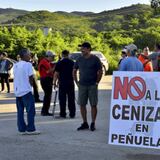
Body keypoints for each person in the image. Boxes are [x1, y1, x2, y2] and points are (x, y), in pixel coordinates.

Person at [73, 42, 103, 131]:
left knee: (93, 104)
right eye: (81, 48)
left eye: (84, 48)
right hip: (82, 85)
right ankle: (85, 122)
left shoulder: (95, 59)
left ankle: (93, 123)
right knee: (82, 104)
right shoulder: (79, 59)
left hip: (92, 85)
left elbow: (100, 71)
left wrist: (97, 82)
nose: (82, 50)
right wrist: (76, 82)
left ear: (89, 49)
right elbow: (74, 70)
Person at [13, 48, 40, 135]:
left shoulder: (16, 65)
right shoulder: (28, 65)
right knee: (30, 110)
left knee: (20, 111)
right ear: (24, 55)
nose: (30, 55)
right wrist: (31, 86)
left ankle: (21, 129)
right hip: (26, 90)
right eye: (29, 54)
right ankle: (31, 129)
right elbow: (30, 78)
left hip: (18, 91)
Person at [53, 50, 76, 118]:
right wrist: (76, 81)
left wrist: (54, 83)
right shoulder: (72, 62)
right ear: (68, 54)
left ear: (62, 55)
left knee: (62, 99)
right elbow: (74, 72)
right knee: (71, 99)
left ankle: (63, 113)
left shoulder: (59, 63)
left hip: (62, 83)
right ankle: (72, 113)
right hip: (70, 83)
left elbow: (56, 74)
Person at [38, 51, 55, 116]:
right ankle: (45, 111)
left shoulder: (46, 61)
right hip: (46, 79)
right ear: (48, 56)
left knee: (48, 96)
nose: (53, 58)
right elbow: (49, 71)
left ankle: (45, 110)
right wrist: (55, 67)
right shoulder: (44, 62)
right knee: (47, 96)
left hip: (46, 79)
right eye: (52, 57)